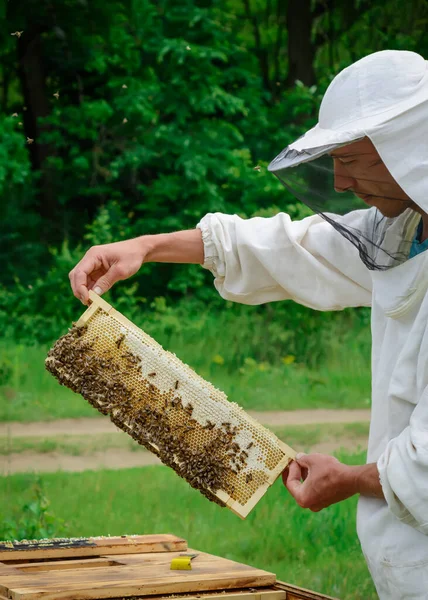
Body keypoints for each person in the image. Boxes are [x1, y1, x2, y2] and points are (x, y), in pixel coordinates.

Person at [69, 50, 428, 599]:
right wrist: (146, 245)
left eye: (353, 159)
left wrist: (353, 478)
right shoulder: (404, 234)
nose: (340, 179)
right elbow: (291, 247)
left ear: (412, 152)